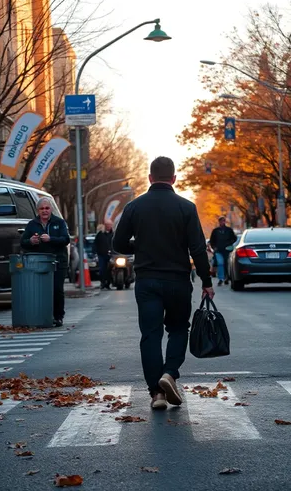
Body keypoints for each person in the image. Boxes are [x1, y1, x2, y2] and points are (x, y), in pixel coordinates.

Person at [113, 156, 214, 411]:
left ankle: (156, 394)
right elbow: (198, 249)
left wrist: (140, 245)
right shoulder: (186, 208)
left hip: (147, 282)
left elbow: (118, 244)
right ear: (174, 179)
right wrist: (206, 280)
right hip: (178, 281)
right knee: (179, 329)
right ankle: (169, 373)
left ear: (149, 178)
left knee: (150, 335)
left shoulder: (134, 207)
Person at [20, 197, 70, 327]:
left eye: (47, 208)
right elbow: (23, 242)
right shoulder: (32, 224)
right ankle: (42, 315)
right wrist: (31, 241)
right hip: (39, 262)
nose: (44, 211)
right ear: (38, 210)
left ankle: (58, 316)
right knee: (41, 290)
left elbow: (66, 239)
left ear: (51, 209)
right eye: (42, 209)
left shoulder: (59, 222)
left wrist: (51, 239)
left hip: (58, 261)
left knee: (57, 289)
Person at [210, 216, 237, 285]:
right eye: (221, 221)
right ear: (219, 222)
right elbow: (212, 240)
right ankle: (221, 278)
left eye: (223, 221)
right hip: (218, 250)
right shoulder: (215, 231)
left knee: (226, 264)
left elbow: (234, 238)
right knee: (220, 263)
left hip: (227, 250)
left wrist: (230, 244)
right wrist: (214, 247)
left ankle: (226, 277)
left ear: (225, 221)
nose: (222, 222)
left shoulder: (229, 230)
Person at [94, 221, 113, 289]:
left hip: (111, 255)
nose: (108, 226)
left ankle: (108, 283)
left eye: (110, 225)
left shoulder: (113, 234)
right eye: (107, 225)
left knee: (110, 269)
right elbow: (95, 244)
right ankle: (103, 283)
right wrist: (96, 253)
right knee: (102, 269)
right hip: (101, 255)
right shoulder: (100, 234)